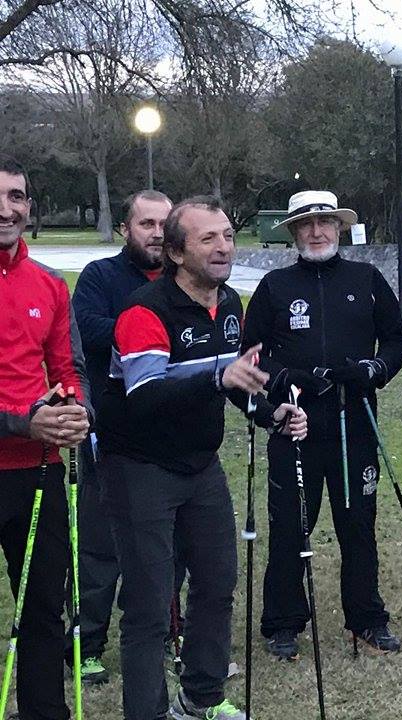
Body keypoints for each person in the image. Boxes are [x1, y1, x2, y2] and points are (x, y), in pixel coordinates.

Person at [96, 196, 306, 720]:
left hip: (200, 465)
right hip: (139, 466)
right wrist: (218, 377)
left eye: (228, 235)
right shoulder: (145, 311)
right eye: (207, 238)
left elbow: (234, 383)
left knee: (216, 584)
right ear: (175, 252)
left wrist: (272, 413)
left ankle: (201, 697)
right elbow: (143, 395)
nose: (223, 247)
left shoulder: (229, 303)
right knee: (149, 603)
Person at [242, 190, 402, 658]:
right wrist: (285, 378)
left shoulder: (367, 278)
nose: (316, 232)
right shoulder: (274, 286)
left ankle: (366, 618)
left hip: (354, 419)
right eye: (306, 225)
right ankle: (282, 622)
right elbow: (251, 354)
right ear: (294, 232)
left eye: (325, 223)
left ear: (339, 228)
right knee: (291, 525)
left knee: (358, 523)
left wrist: (374, 369)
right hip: (295, 423)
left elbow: (396, 340)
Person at [0, 154, 91, 720]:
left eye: (15, 196)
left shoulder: (50, 285)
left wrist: (76, 411)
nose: (5, 209)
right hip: (17, 440)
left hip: (39, 470)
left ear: (29, 208)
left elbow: (68, 369)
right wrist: (21, 421)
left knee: (41, 607)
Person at [71, 189, 173, 684]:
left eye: (164, 225)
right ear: (126, 229)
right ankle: (87, 643)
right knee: (99, 546)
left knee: (164, 545)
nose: (156, 233)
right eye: (146, 224)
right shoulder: (101, 277)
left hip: (167, 437)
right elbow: (84, 329)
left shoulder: (182, 280)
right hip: (108, 434)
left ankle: (162, 633)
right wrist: (145, 333)